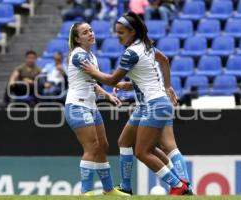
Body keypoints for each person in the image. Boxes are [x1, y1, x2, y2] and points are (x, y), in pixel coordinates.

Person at [82, 12, 192, 195]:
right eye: (116, 32)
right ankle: (126, 187)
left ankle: (179, 185)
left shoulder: (131, 53)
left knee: (142, 152)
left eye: (121, 32)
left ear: (132, 32)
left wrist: (92, 72)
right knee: (125, 142)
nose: (118, 36)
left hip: (154, 104)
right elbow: (163, 62)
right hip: (151, 103)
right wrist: (167, 86)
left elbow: (110, 79)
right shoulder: (145, 46)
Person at [64, 22, 130, 196]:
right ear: (77, 39)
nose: (91, 34)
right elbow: (102, 78)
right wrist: (120, 84)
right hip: (77, 106)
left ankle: (108, 190)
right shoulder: (79, 57)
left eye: (91, 30)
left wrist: (107, 96)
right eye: (85, 32)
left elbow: (93, 83)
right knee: (92, 147)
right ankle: (85, 192)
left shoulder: (91, 55)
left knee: (103, 145)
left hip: (91, 107)